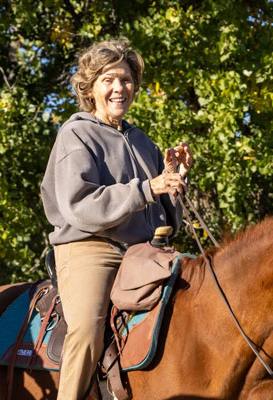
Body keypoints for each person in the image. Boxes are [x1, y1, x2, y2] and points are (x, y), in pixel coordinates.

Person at [40, 38, 192, 400]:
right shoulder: (76, 133)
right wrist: (146, 188)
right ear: (90, 88)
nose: (118, 88)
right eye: (108, 79)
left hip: (144, 252)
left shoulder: (145, 143)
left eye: (125, 80)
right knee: (87, 332)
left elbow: (167, 219)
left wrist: (174, 183)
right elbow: (81, 205)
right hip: (90, 249)